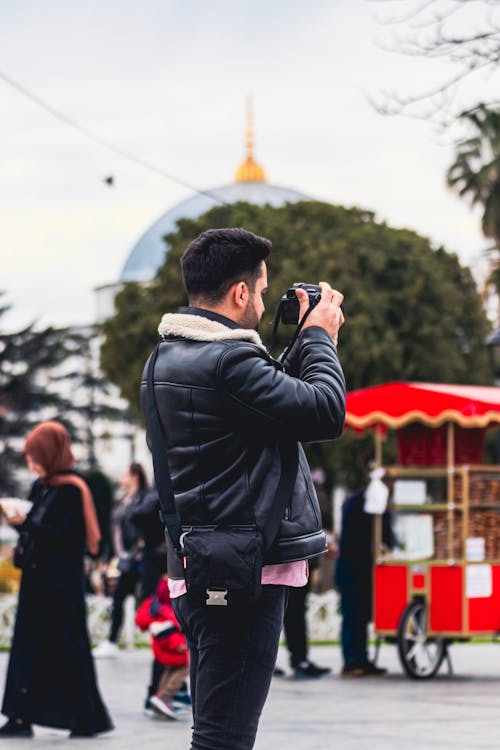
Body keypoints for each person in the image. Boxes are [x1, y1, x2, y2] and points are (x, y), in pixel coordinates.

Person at [141, 227, 346, 750]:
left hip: (206, 560)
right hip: (239, 572)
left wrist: (303, 338)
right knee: (223, 737)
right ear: (239, 292)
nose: (260, 301)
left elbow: (269, 407)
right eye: (260, 290)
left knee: (220, 729)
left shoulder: (170, 358)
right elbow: (324, 411)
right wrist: (321, 337)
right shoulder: (229, 362)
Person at [0, 421, 113, 738]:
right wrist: (21, 526)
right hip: (36, 582)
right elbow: (37, 530)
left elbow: (68, 539)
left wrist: (28, 524)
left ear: (51, 453)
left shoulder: (72, 489)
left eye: (36, 456)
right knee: (27, 648)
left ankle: (85, 718)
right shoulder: (42, 486)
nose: (32, 464)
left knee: (67, 649)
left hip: (62, 585)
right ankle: (20, 716)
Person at [335, 477, 393, 677]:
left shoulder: (358, 501)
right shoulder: (363, 503)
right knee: (353, 616)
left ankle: (360, 658)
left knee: (358, 617)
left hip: (356, 566)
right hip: (353, 567)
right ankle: (352, 661)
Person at [93, 462, 149, 658]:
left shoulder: (144, 499)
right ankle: (112, 641)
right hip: (123, 559)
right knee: (119, 599)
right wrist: (107, 558)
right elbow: (112, 533)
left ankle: (163, 638)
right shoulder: (121, 500)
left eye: (124, 474)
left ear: (134, 476)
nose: (120, 479)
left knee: (148, 598)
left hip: (139, 557)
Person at [136, 576, 190, 720]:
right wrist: (178, 644)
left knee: (170, 669)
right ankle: (166, 696)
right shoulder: (165, 611)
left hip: (164, 648)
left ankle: (159, 698)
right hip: (172, 647)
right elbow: (164, 630)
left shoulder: (155, 605)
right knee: (187, 666)